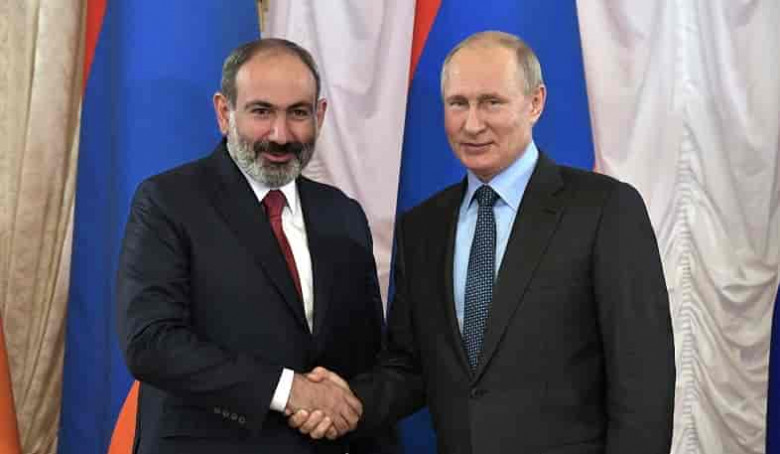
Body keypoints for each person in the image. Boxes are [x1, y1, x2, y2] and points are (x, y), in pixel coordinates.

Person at [291, 31, 675, 453]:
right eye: (458, 103)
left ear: (535, 102)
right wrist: (346, 401)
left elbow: (643, 379)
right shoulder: (423, 228)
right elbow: (410, 366)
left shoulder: (604, 210)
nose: (472, 124)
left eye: (492, 102)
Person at [116, 38, 396, 453]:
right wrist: (288, 390)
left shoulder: (343, 214)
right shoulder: (169, 202)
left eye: (298, 113)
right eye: (261, 111)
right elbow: (150, 342)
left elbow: (366, 355)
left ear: (319, 114)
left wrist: (347, 405)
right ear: (224, 112)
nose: (280, 135)